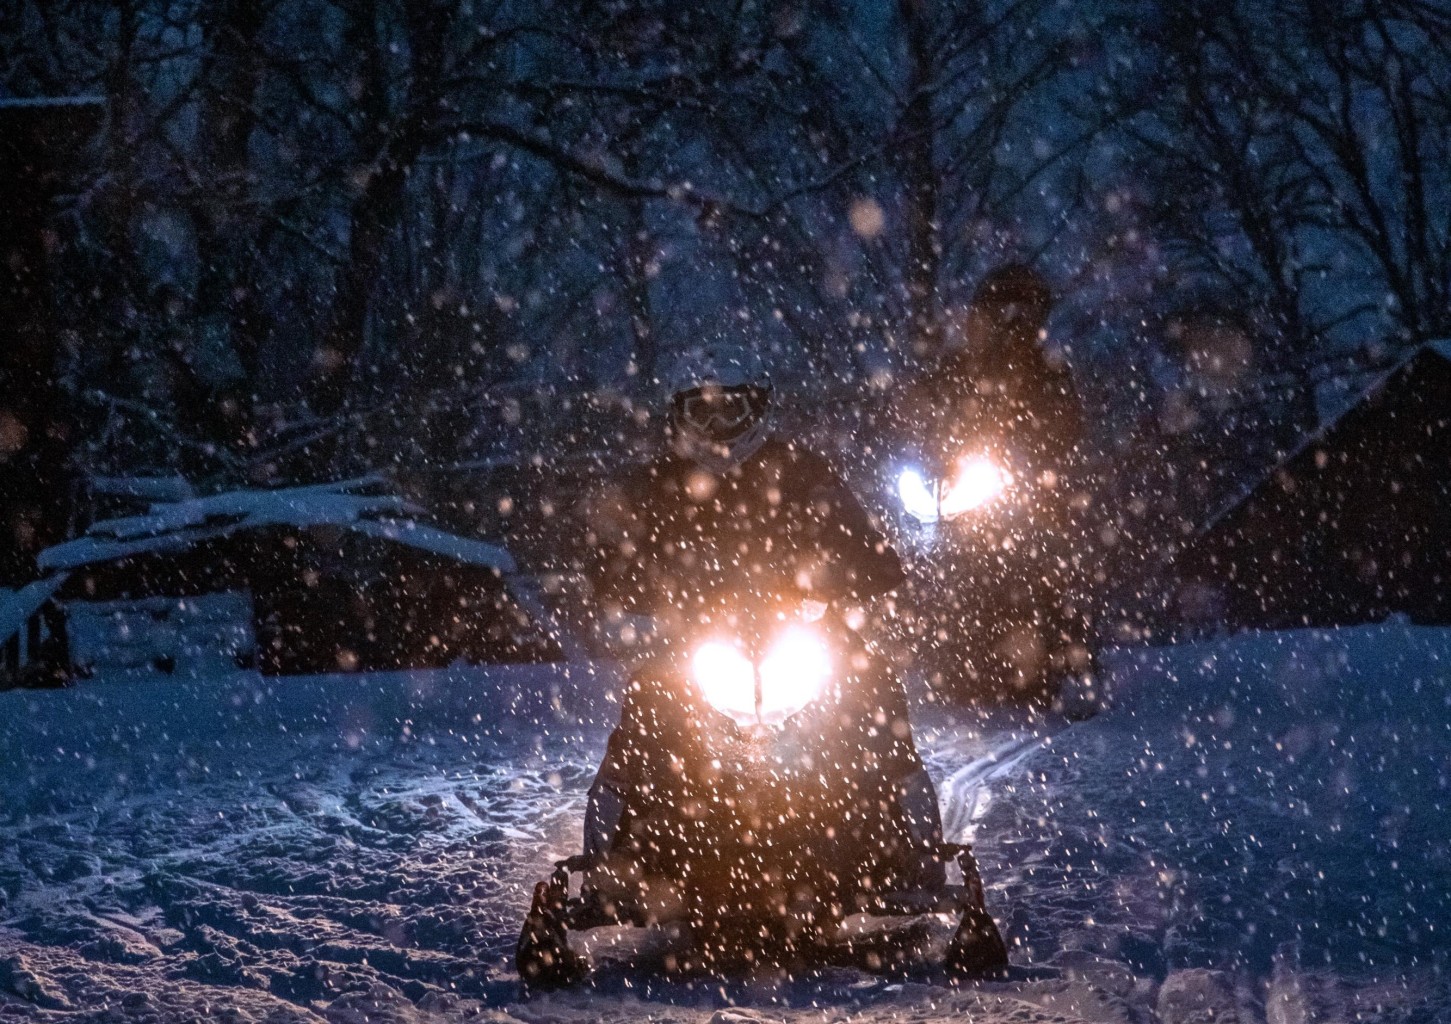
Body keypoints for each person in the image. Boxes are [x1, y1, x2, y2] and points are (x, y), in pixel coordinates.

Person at [582, 342, 946, 886]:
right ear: (680, 415)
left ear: (758, 406)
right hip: (700, 638)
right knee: (648, 704)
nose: (719, 427)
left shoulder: (802, 472)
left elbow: (869, 552)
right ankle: (612, 857)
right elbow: (613, 559)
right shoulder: (659, 485)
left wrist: (836, 581)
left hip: (801, 632)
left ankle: (913, 846)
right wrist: (636, 586)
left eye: (731, 409)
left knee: (873, 689)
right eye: (703, 412)